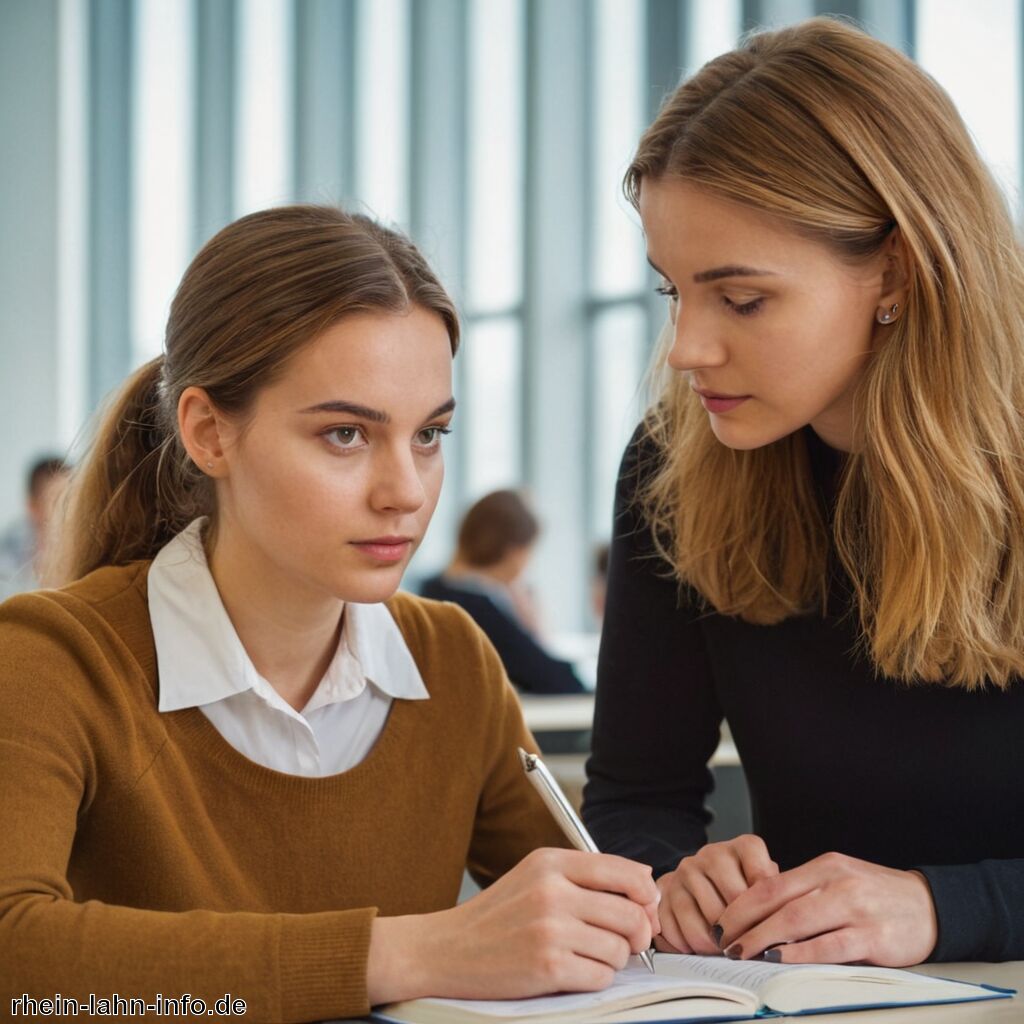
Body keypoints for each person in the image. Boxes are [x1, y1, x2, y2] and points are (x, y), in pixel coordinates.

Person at [0, 206, 660, 1022]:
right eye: (346, 434)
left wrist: (669, 898)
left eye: (430, 435)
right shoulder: (51, 658)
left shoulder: (451, 659)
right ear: (209, 433)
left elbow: (592, 920)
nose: (406, 492)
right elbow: (13, 955)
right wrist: (406, 954)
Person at [582, 16, 1024, 970]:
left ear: (896, 270)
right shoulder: (672, 466)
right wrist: (671, 875)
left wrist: (944, 908)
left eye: (742, 300)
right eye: (672, 292)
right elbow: (636, 798)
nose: (686, 349)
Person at [421, 489, 586, 694]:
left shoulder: (431, 589)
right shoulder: (479, 609)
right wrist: (528, 617)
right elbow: (556, 680)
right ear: (514, 553)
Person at [0, 455, 70, 600]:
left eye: (72, 499)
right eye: (58, 501)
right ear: (33, 507)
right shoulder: (7, 561)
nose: (70, 510)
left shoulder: (87, 554)